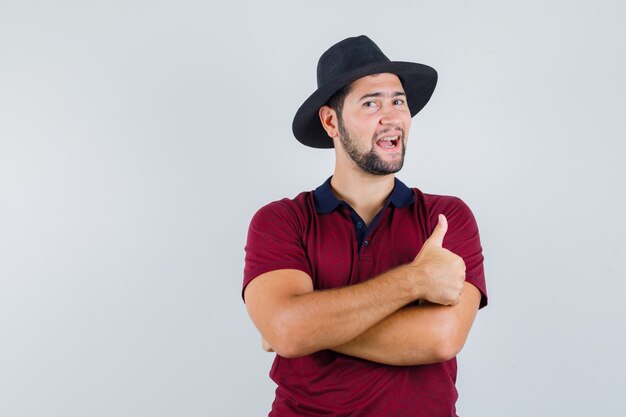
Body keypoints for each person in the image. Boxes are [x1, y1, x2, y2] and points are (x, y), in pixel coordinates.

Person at [242, 35, 488, 417]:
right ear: (330, 121)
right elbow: (288, 330)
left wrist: (306, 328)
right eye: (371, 103)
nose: (391, 117)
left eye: (398, 102)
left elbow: (441, 338)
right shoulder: (280, 221)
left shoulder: (445, 218)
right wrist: (414, 281)